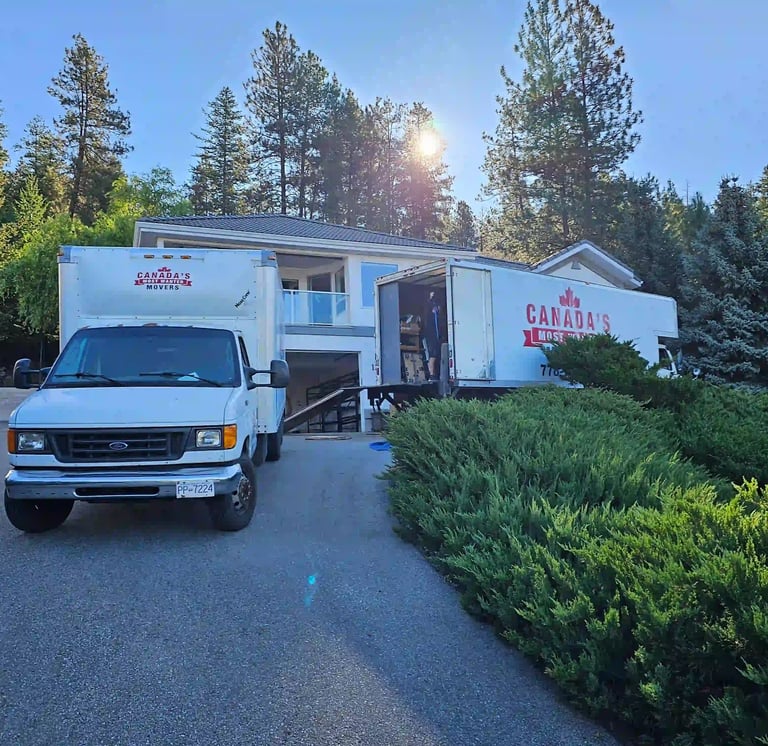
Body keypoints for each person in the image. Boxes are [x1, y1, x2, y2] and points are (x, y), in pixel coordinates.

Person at [421, 290, 445, 381]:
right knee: (432, 356)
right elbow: (428, 306)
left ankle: (434, 374)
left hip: (436, 336)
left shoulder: (438, 316)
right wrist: (430, 299)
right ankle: (431, 375)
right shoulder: (429, 312)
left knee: (436, 356)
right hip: (431, 336)